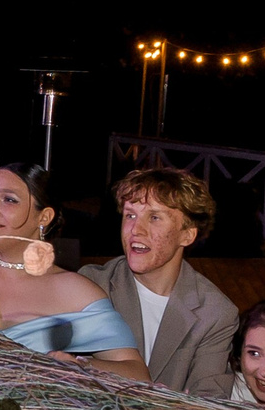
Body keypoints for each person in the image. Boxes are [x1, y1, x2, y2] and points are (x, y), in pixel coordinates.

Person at [0, 163, 143, 365]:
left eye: (9, 200)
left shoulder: (76, 292)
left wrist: (77, 368)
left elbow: (136, 373)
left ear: (44, 217)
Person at [78, 167, 241, 397]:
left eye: (154, 217)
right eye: (130, 215)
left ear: (187, 235)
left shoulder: (215, 313)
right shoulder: (92, 285)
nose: (136, 229)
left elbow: (209, 403)